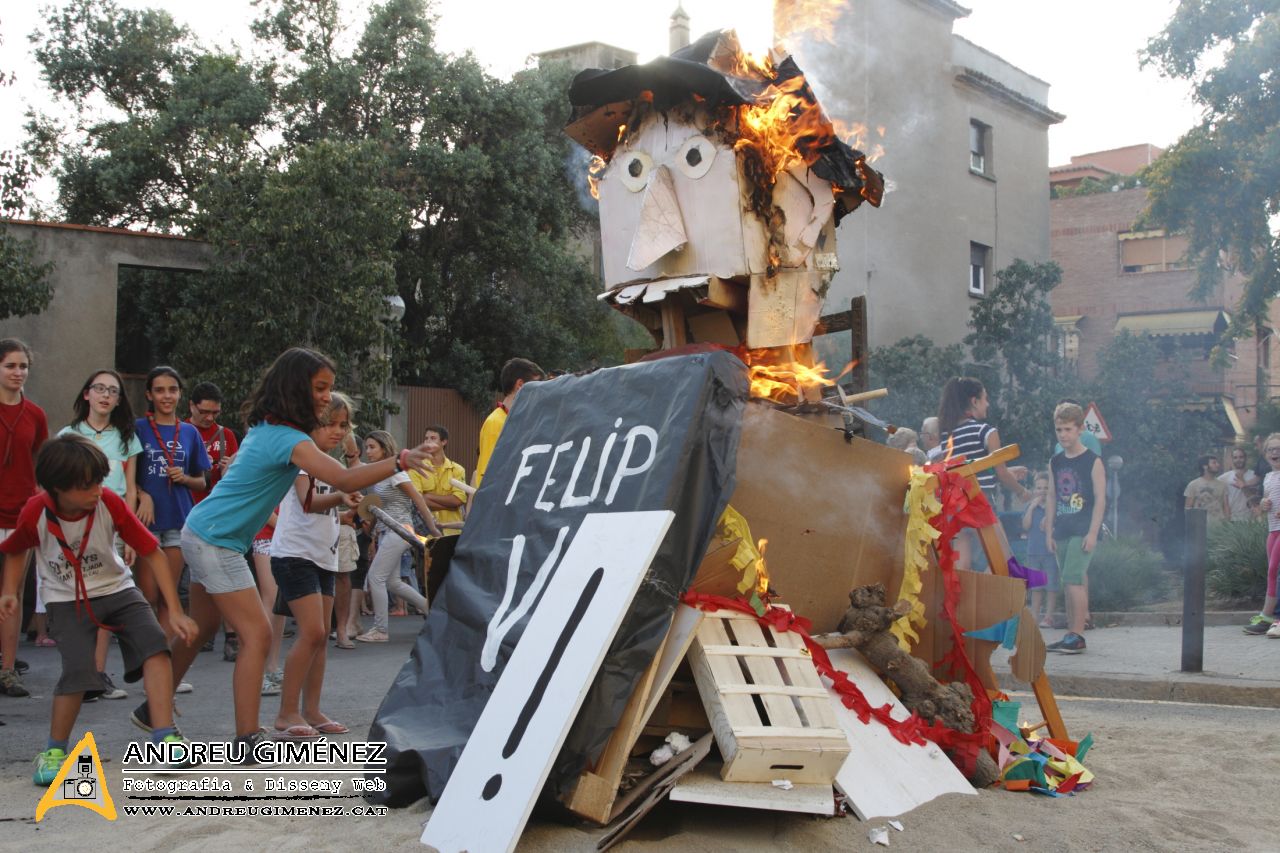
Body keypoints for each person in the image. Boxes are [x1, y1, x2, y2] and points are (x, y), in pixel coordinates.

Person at [133, 348, 435, 752]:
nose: (327, 396)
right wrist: (399, 459)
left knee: (203, 628)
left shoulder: (267, 428)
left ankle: (152, 707)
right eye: (320, 388)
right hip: (215, 539)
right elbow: (344, 478)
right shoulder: (288, 439)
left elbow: (333, 476)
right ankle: (245, 736)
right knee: (256, 634)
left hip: (207, 533)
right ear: (297, 389)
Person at [0, 434, 199, 784]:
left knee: (156, 647)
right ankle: (54, 751)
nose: (97, 490)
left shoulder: (108, 501)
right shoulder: (36, 510)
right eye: (87, 485)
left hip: (117, 589)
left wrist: (176, 609)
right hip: (65, 598)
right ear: (59, 488)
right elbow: (17, 548)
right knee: (78, 670)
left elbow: (151, 551)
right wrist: (9, 591)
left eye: (99, 481)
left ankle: (165, 736)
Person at [269, 393, 356, 737]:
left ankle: (312, 709)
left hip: (324, 555)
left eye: (343, 425)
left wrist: (345, 510)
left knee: (320, 637)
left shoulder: (332, 466)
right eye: (329, 424)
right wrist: (340, 496)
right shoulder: (305, 457)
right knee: (313, 633)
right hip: (294, 554)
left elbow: (330, 507)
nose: (337, 431)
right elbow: (308, 502)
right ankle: (286, 713)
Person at [59, 369, 143, 701]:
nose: (106, 395)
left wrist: (131, 534)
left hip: (112, 523)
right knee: (76, 599)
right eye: (100, 389)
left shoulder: (126, 437)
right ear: (86, 394)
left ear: (119, 400)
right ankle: (78, 674)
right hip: (75, 523)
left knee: (108, 595)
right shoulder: (68, 434)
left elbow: (131, 489)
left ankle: (97, 674)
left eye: (113, 391)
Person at [135, 366, 211, 656]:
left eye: (172, 390)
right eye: (160, 390)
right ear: (149, 395)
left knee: (169, 598)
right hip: (146, 522)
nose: (167, 396)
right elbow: (126, 477)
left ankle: (162, 662)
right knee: (148, 595)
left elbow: (201, 480)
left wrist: (184, 478)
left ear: (180, 394)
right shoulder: (138, 428)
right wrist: (142, 494)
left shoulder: (190, 432)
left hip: (179, 520)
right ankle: (147, 658)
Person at [931, 377, 1030, 570]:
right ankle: (993, 599)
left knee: (962, 566)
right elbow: (1000, 473)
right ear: (974, 401)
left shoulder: (947, 435)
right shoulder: (986, 432)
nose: (988, 403)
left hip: (956, 506)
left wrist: (1007, 471)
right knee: (1003, 560)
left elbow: (967, 469)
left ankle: (961, 600)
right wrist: (1021, 491)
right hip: (980, 504)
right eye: (985, 398)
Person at [356, 430, 442, 643]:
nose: (368, 452)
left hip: (400, 530)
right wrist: (372, 532)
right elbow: (377, 507)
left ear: (384, 448)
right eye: (366, 447)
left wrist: (433, 529)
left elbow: (418, 500)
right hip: (389, 532)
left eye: (372, 447)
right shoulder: (380, 474)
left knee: (376, 577)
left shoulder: (396, 473)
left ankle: (380, 630)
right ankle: (432, 610)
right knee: (393, 582)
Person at [0, 339, 48, 698]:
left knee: (13, 593)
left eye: (23, 366)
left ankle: (8, 668)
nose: (18, 373)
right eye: (11, 366)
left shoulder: (35, 414)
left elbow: (39, 462)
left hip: (19, 515)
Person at [1045, 402, 1105, 655]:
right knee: (1066, 581)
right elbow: (1051, 495)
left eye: (1068, 429)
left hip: (1083, 528)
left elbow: (1101, 499)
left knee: (1074, 580)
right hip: (1062, 527)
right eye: (1059, 430)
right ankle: (1071, 631)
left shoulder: (1093, 461)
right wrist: (1049, 530)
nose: (1063, 435)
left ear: (1080, 429)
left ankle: (1078, 634)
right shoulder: (1055, 461)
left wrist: (1093, 532)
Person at [408, 425, 468, 602]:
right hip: (427, 532)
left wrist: (427, 498)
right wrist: (446, 502)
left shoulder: (457, 469)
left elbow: (458, 500)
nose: (428, 442)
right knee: (430, 577)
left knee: (453, 576)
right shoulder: (417, 467)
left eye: (433, 438)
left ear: (444, 442)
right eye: (426, 438)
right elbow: (417, 500)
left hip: (452, 532)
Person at [474, 357, 543, 488]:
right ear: (521, 385)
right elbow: (489, 476)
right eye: (537, 385)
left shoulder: (524, 422)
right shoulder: (495, 422)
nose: (541, 391)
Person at [1245, 434, 1280, 635]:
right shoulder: (1268, 477)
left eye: (1278, 448)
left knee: (1276, 569)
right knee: (1271, 572)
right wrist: (1264, 504)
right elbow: (1267, 501)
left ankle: (1273, 617)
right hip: (1272, 528)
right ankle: (1267, 616)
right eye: (1270, 449)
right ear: (1265, 454)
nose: (1275, 453)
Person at [187, 382, 238, 503]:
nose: (210, 418)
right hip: (187, 505)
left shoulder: (227, 435)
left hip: (217, 506)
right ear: (191, 405)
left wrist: (229, 468)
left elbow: (239, 477)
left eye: (215, 413)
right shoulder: (180, 432)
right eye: (204, 412)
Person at [1022, 471, 1060, 628]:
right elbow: (1025, 526)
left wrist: (1050, 518)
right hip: (1033, 551)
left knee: (1051, 586)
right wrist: (1031, 508)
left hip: (1049, 552)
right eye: (1039, 488)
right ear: (1034, 490)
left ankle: (1049, 616)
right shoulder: (1030, 507)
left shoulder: (1055, 507)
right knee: (1036, 587)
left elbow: (1058, 527)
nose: (1042, 491)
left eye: (1046, 488)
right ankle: (1034, 616)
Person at [1183, 454, 1229, 525]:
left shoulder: (1222, 485)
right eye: (1214, 463)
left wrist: (1227, 522)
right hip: (1199, 527)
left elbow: (1226, 506)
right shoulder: (1193, 484)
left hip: (1219, 526)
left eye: (1217, 463)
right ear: (1205, 466)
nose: (1218, 465)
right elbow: (1188, 508)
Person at [1218, 446, 1259, 523]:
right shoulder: (1223, 478)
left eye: (1241, 457)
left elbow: (1256, 499)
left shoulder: (1254, 476)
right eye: (1235, 457)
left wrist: (1243, 483)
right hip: (1231, 519)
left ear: (1246, 458)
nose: (1238, 460)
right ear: (1232, 460)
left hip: (1250, 520)